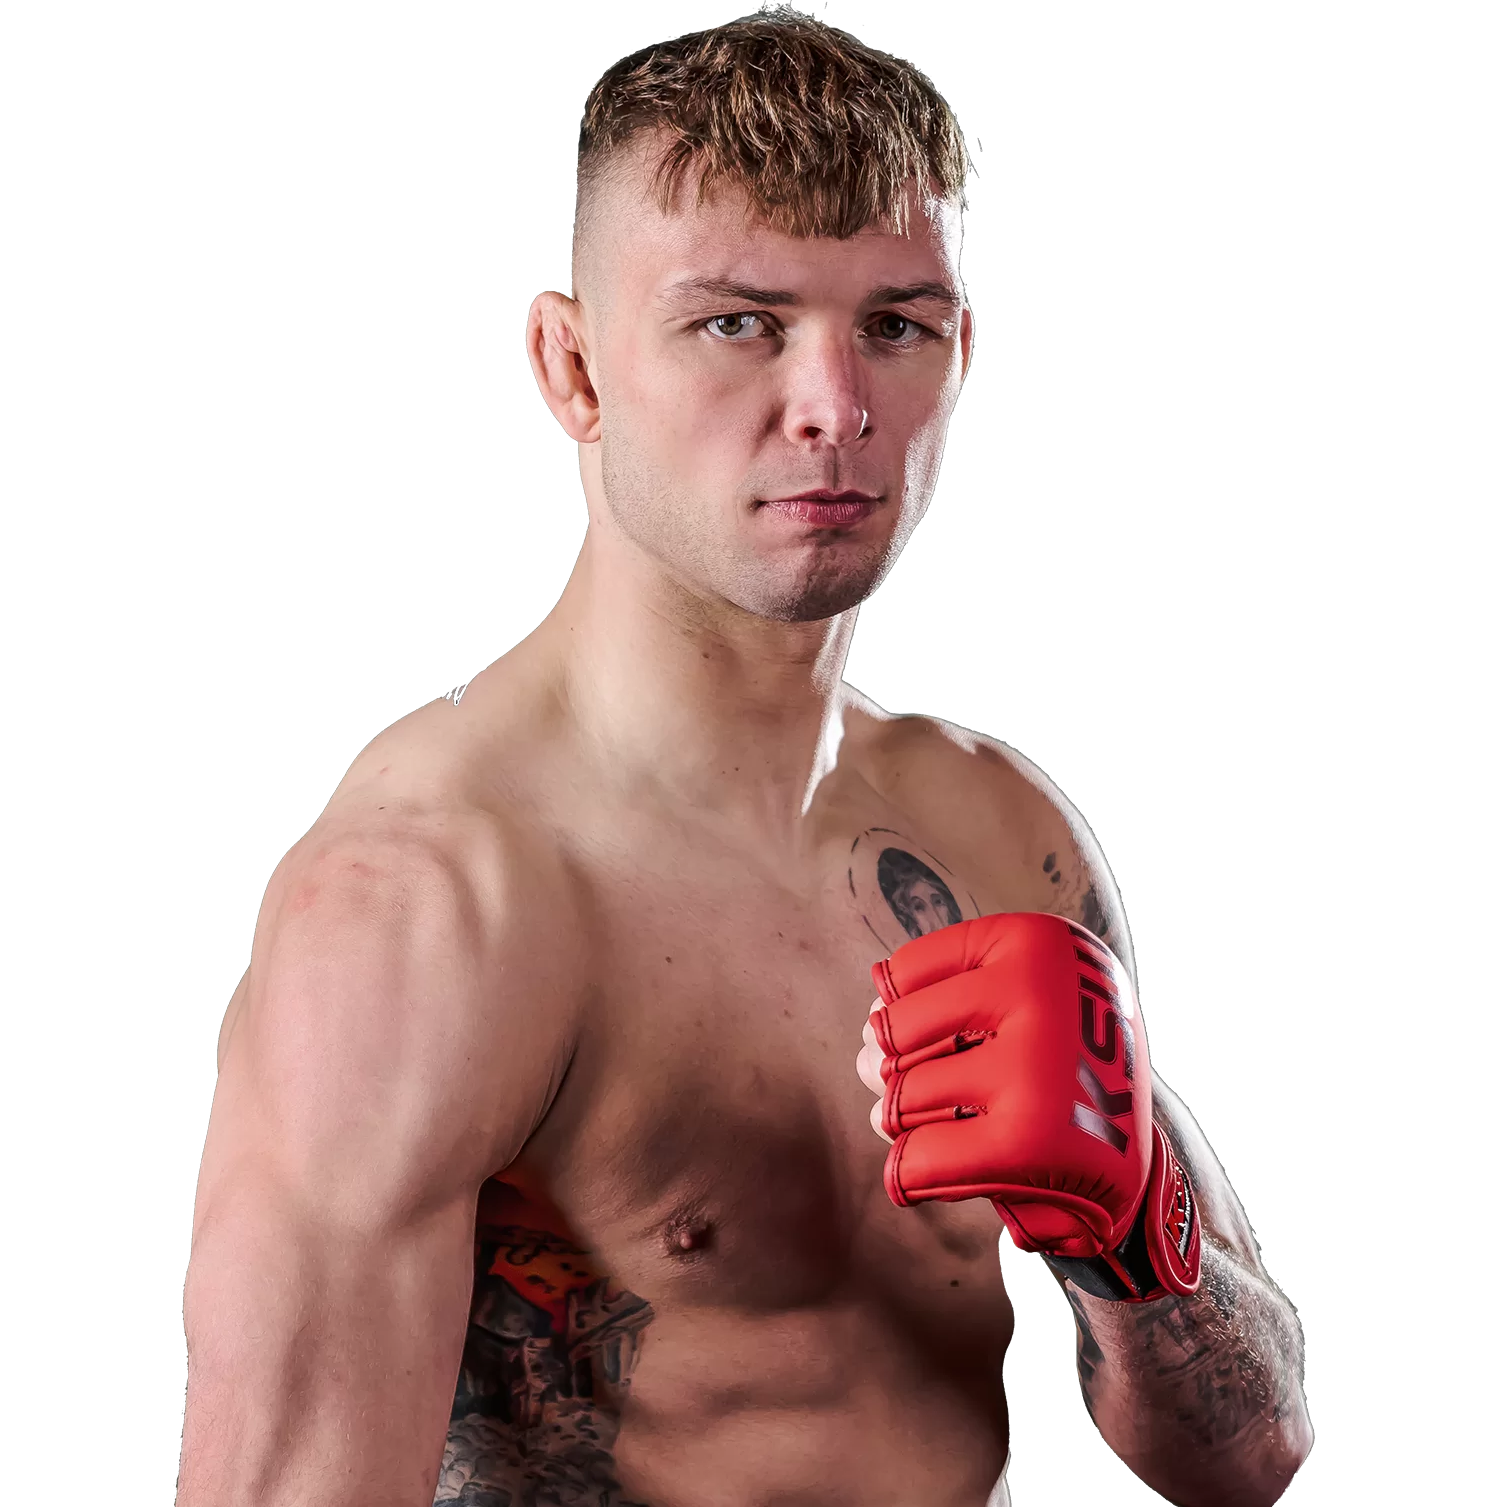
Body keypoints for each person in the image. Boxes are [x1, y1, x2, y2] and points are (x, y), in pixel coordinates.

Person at [176, 7, 1314, 1505]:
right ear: (574, 369)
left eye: (893, 326)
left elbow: (1246, 1457)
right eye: (739, 323)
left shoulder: (993, 828)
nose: (836, 408)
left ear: (960, 351)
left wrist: (1134, 1237)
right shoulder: (427, 905)